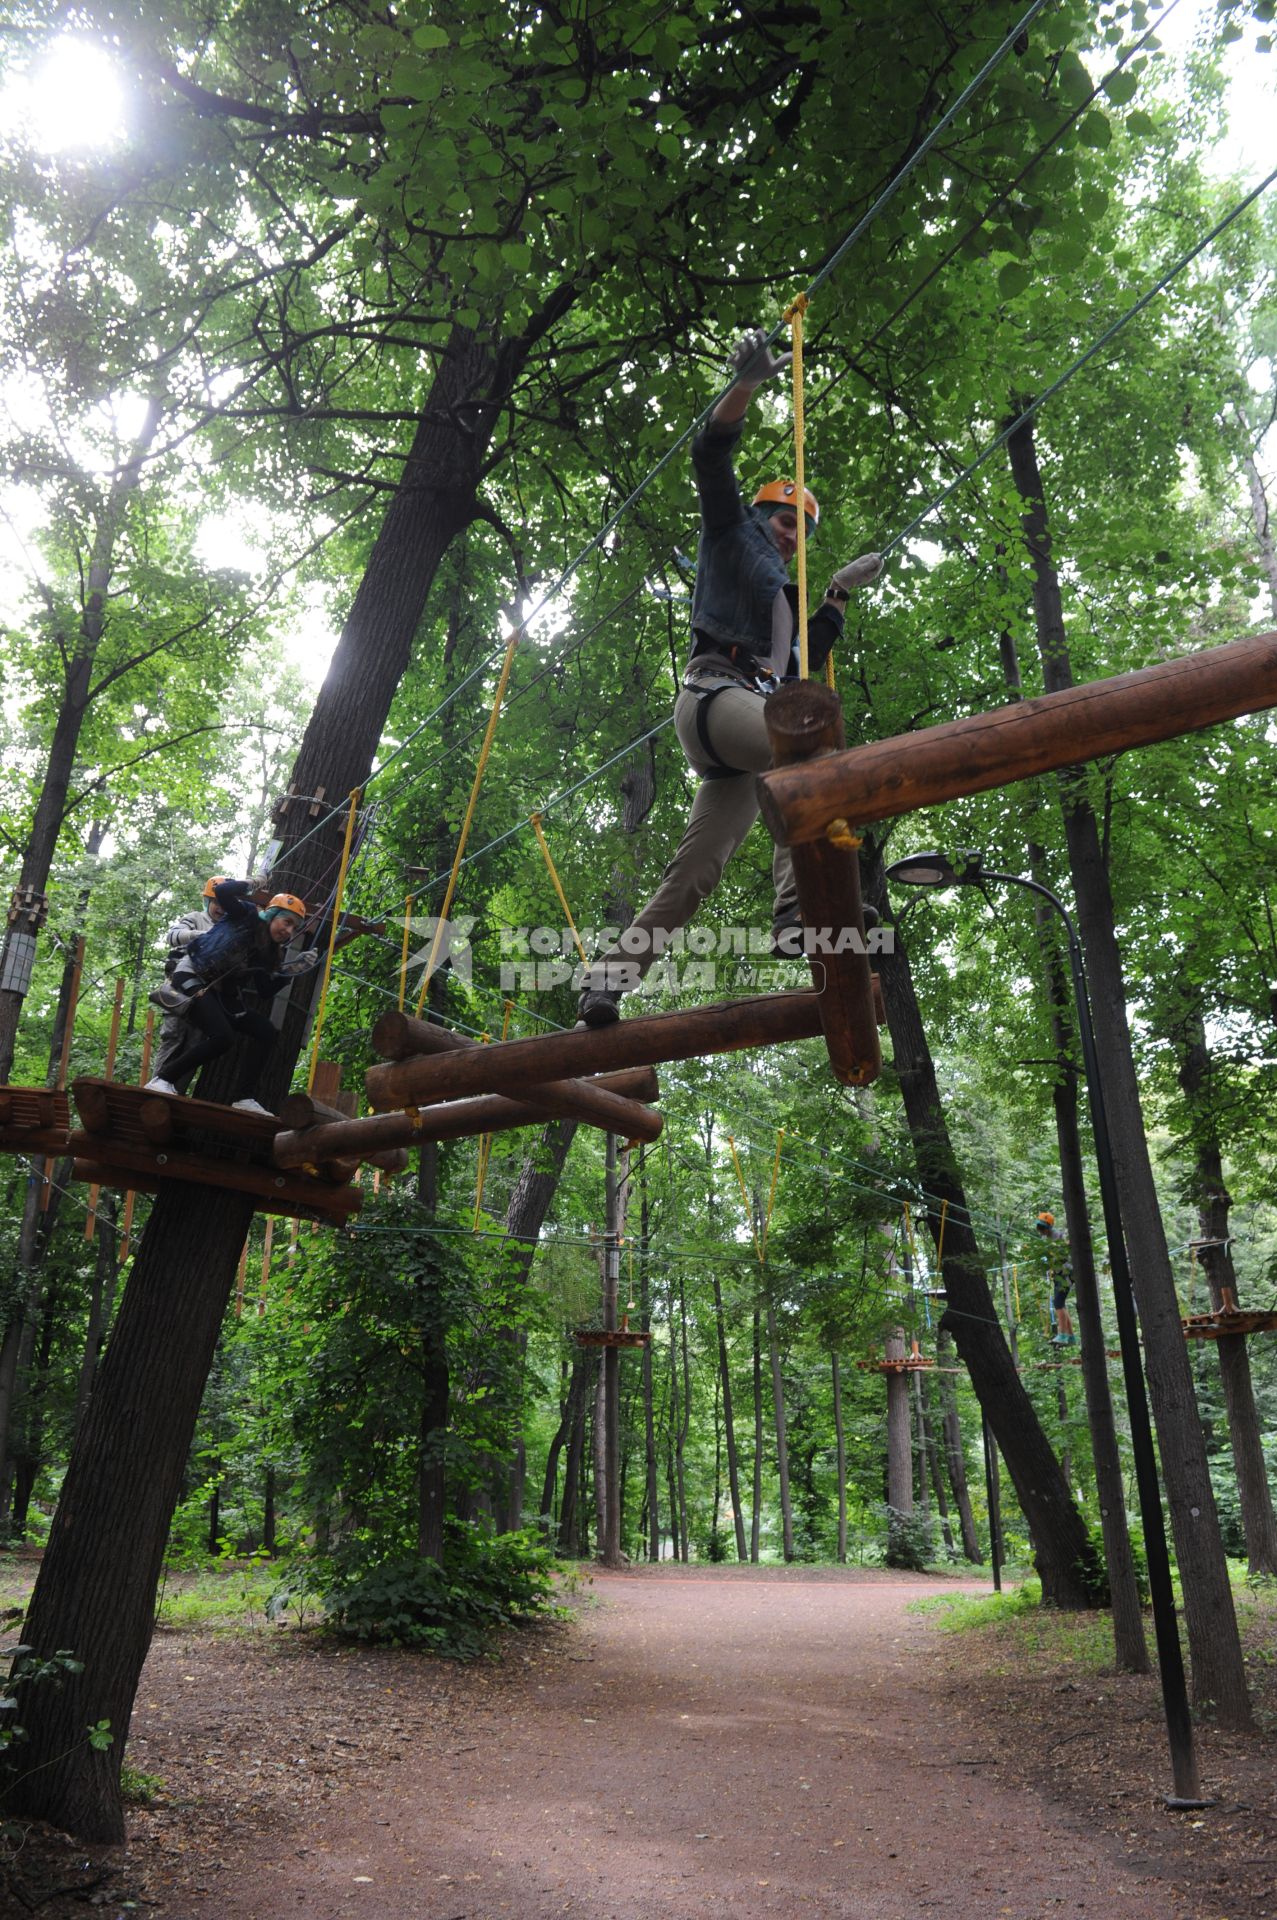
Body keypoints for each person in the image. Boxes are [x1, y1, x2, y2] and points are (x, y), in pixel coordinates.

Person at [577, 326, 882, 1028]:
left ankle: (606, 981)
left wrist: (835, 591)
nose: (787, 533)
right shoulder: (726, 532)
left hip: (739, 742)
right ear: (757, 513)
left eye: (798, 530)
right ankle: (795, 908)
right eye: (780, 519)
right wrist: (742, 387)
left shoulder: (781, 592)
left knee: (694, 874)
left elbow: (799, 656)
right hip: (715, 696)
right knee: (810, 758)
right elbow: (709, 458)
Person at [145, 879, 319, 1114]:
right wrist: (251, 883)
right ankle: (163, 1079)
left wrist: (290, 972)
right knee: (222, 1037)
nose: (288, 931)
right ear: (272, 915)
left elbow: (265, 991)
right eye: (286, 922)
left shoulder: (270, 952)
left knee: (265, 1031)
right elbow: (223, 891)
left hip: (222, 993)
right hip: (192, 975)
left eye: (294, 928)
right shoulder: (245, 915)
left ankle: (244, 1097)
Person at [149, 875, 226, 1092]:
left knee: (195, 1044)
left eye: (224, 904)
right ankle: (154, 1087)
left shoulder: (230, 930)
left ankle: (175, 1093)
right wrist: (200, 935)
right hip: (179, 990)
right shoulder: (196, 918)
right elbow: (173, 935)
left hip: (205, 996)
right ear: (208, 901)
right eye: (216, 903)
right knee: (173, 1038)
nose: (220, 909)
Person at [1036, 1208, 1076, 1345]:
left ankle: (1063, 1334)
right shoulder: (1044, 1238)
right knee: (1060, 1303)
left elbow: (1066, 1252)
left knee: (1058, 1303)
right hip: (1058, 1274)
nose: (1041, 1230)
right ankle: (1070, 1336)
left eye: (1043, 1227)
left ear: (1049, 1226)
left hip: (1066, 1273)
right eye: (1039, 1227)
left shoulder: (1058, 1236)